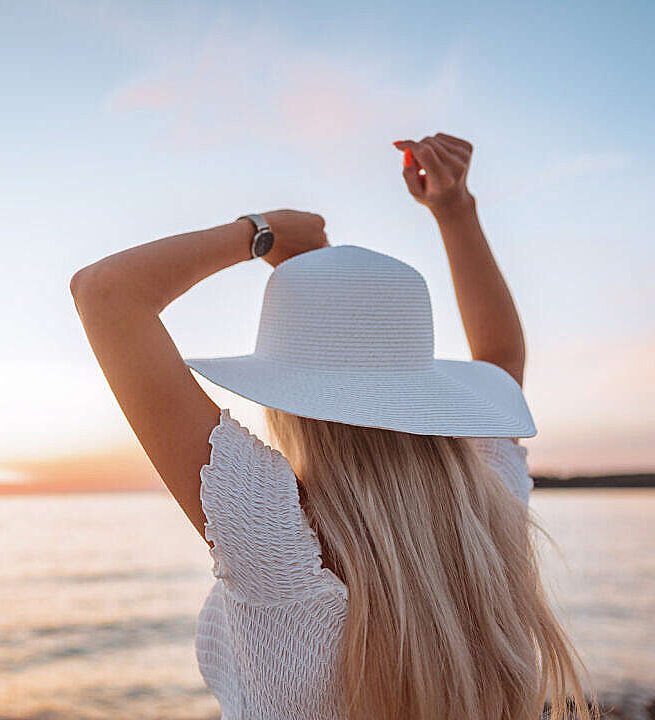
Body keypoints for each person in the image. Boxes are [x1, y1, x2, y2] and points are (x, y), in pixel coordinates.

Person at [70, 133, 596, 720]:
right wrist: (455, 209)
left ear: (287, 398)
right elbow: (501, 357)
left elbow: (106, 292)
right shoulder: (485, 505)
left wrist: (261, 232)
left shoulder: (279, 546)